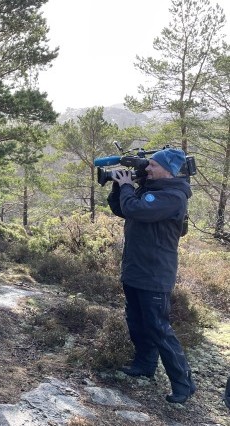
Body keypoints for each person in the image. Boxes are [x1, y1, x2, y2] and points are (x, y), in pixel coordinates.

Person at [107, 148, 195, 404]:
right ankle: (144, 365)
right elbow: (122, 208)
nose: (147, 169)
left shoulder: (173, 196)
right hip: (135, 269)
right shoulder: (152, 190)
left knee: (158, 328)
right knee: (136, 321)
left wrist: (126, 186)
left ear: (168, 170)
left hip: (155, 274)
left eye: (153, 166)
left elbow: (137, 210)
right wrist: (118, 187)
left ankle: (184, 384)